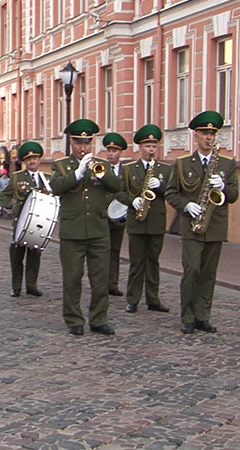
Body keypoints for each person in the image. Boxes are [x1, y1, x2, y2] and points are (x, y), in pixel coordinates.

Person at [165, 111, 239, 334]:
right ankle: (187, 316)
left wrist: (223, 187)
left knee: (208, 273)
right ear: (196, 135)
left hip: (215, 226)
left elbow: (234, 195)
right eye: (205, 133)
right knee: (191, 271)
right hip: (192, 226)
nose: (209, 138)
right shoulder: (182, 164)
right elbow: (171, 192)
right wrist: (186, 206)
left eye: (212, 134)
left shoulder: (227, 164)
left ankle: (202, 315)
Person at [49, 119, 121, 336]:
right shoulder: (61, 166)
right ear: (71, 142)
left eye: (87, 142)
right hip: (73, 232)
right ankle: (74, 319)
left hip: (99, 230)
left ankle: (99, 319)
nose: (83, 147)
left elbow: (117, 187)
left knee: (100, 279)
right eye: (79, 143)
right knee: (72, 278)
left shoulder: (103, 164)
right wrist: (78, 173)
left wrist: (103, 173)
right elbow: (56, 187)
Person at [121, 124, 172, 314]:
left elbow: (172, 193)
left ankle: (153, 299)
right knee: (136, 262)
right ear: (140, 148)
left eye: (154, 146)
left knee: (153, 262)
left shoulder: (165, 170)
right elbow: (120, 193)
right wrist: (132, 200)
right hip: (137, 221)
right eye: (147, 146)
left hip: (156, 221)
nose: (151, 150)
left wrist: (160, 185)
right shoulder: (129, 169)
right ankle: (132, 299)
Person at [0, 142, 49, 298]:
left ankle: (32, 285)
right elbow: (5, 194)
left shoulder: (46, 178)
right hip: (21, 222)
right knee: (16, 256)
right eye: (29, 159)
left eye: (35, 158)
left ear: (39, 160)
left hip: (39, 223)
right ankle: (16, 287)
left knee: (35, 255)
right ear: (25, 161)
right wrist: (1, 205)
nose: (32, 161)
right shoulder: (17, 177)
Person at [102, 132, 129, 297]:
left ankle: (113, 283)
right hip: (103, 216)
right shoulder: (102, 168)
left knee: (115, 251)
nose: (111, 153)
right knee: (102, 250)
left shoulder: (126, 171)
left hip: (119, 216)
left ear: (120, 153)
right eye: (109, 150)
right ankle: (102, 282)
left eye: (114, 151)